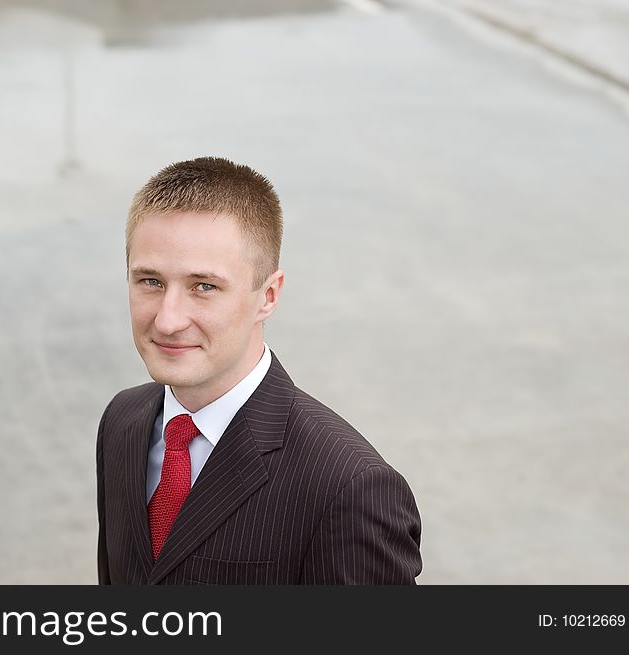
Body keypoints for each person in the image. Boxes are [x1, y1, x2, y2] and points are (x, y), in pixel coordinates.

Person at [96, 156, 421, 584]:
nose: (167, 320)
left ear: (268, 296)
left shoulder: (349, 487)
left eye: (204, 287)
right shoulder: (123, 421)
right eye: (150, 281)